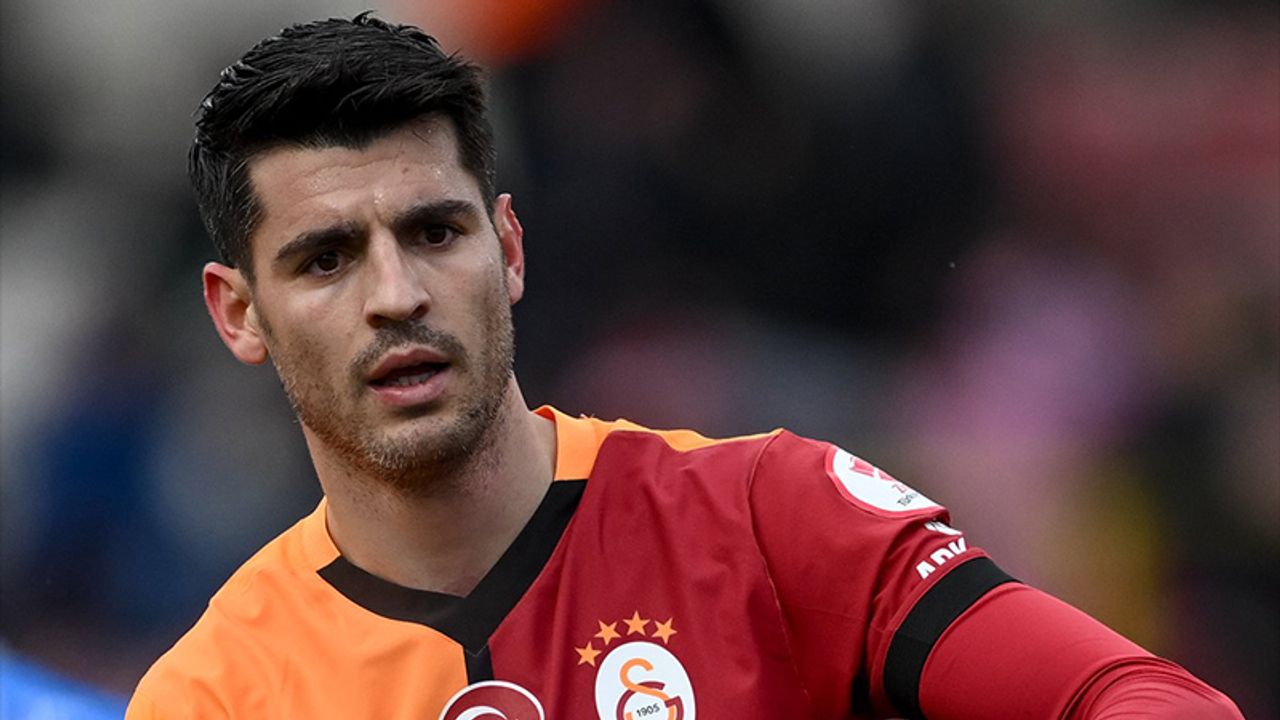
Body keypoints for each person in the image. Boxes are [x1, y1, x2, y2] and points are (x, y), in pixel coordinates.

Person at [128, 13, 1243, 720]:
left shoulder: (768, 516)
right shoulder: (216, 696)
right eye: (326, 259)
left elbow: (1138, 696)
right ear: (240, 313)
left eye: (434, 232)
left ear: (507, 249)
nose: (397, 294)